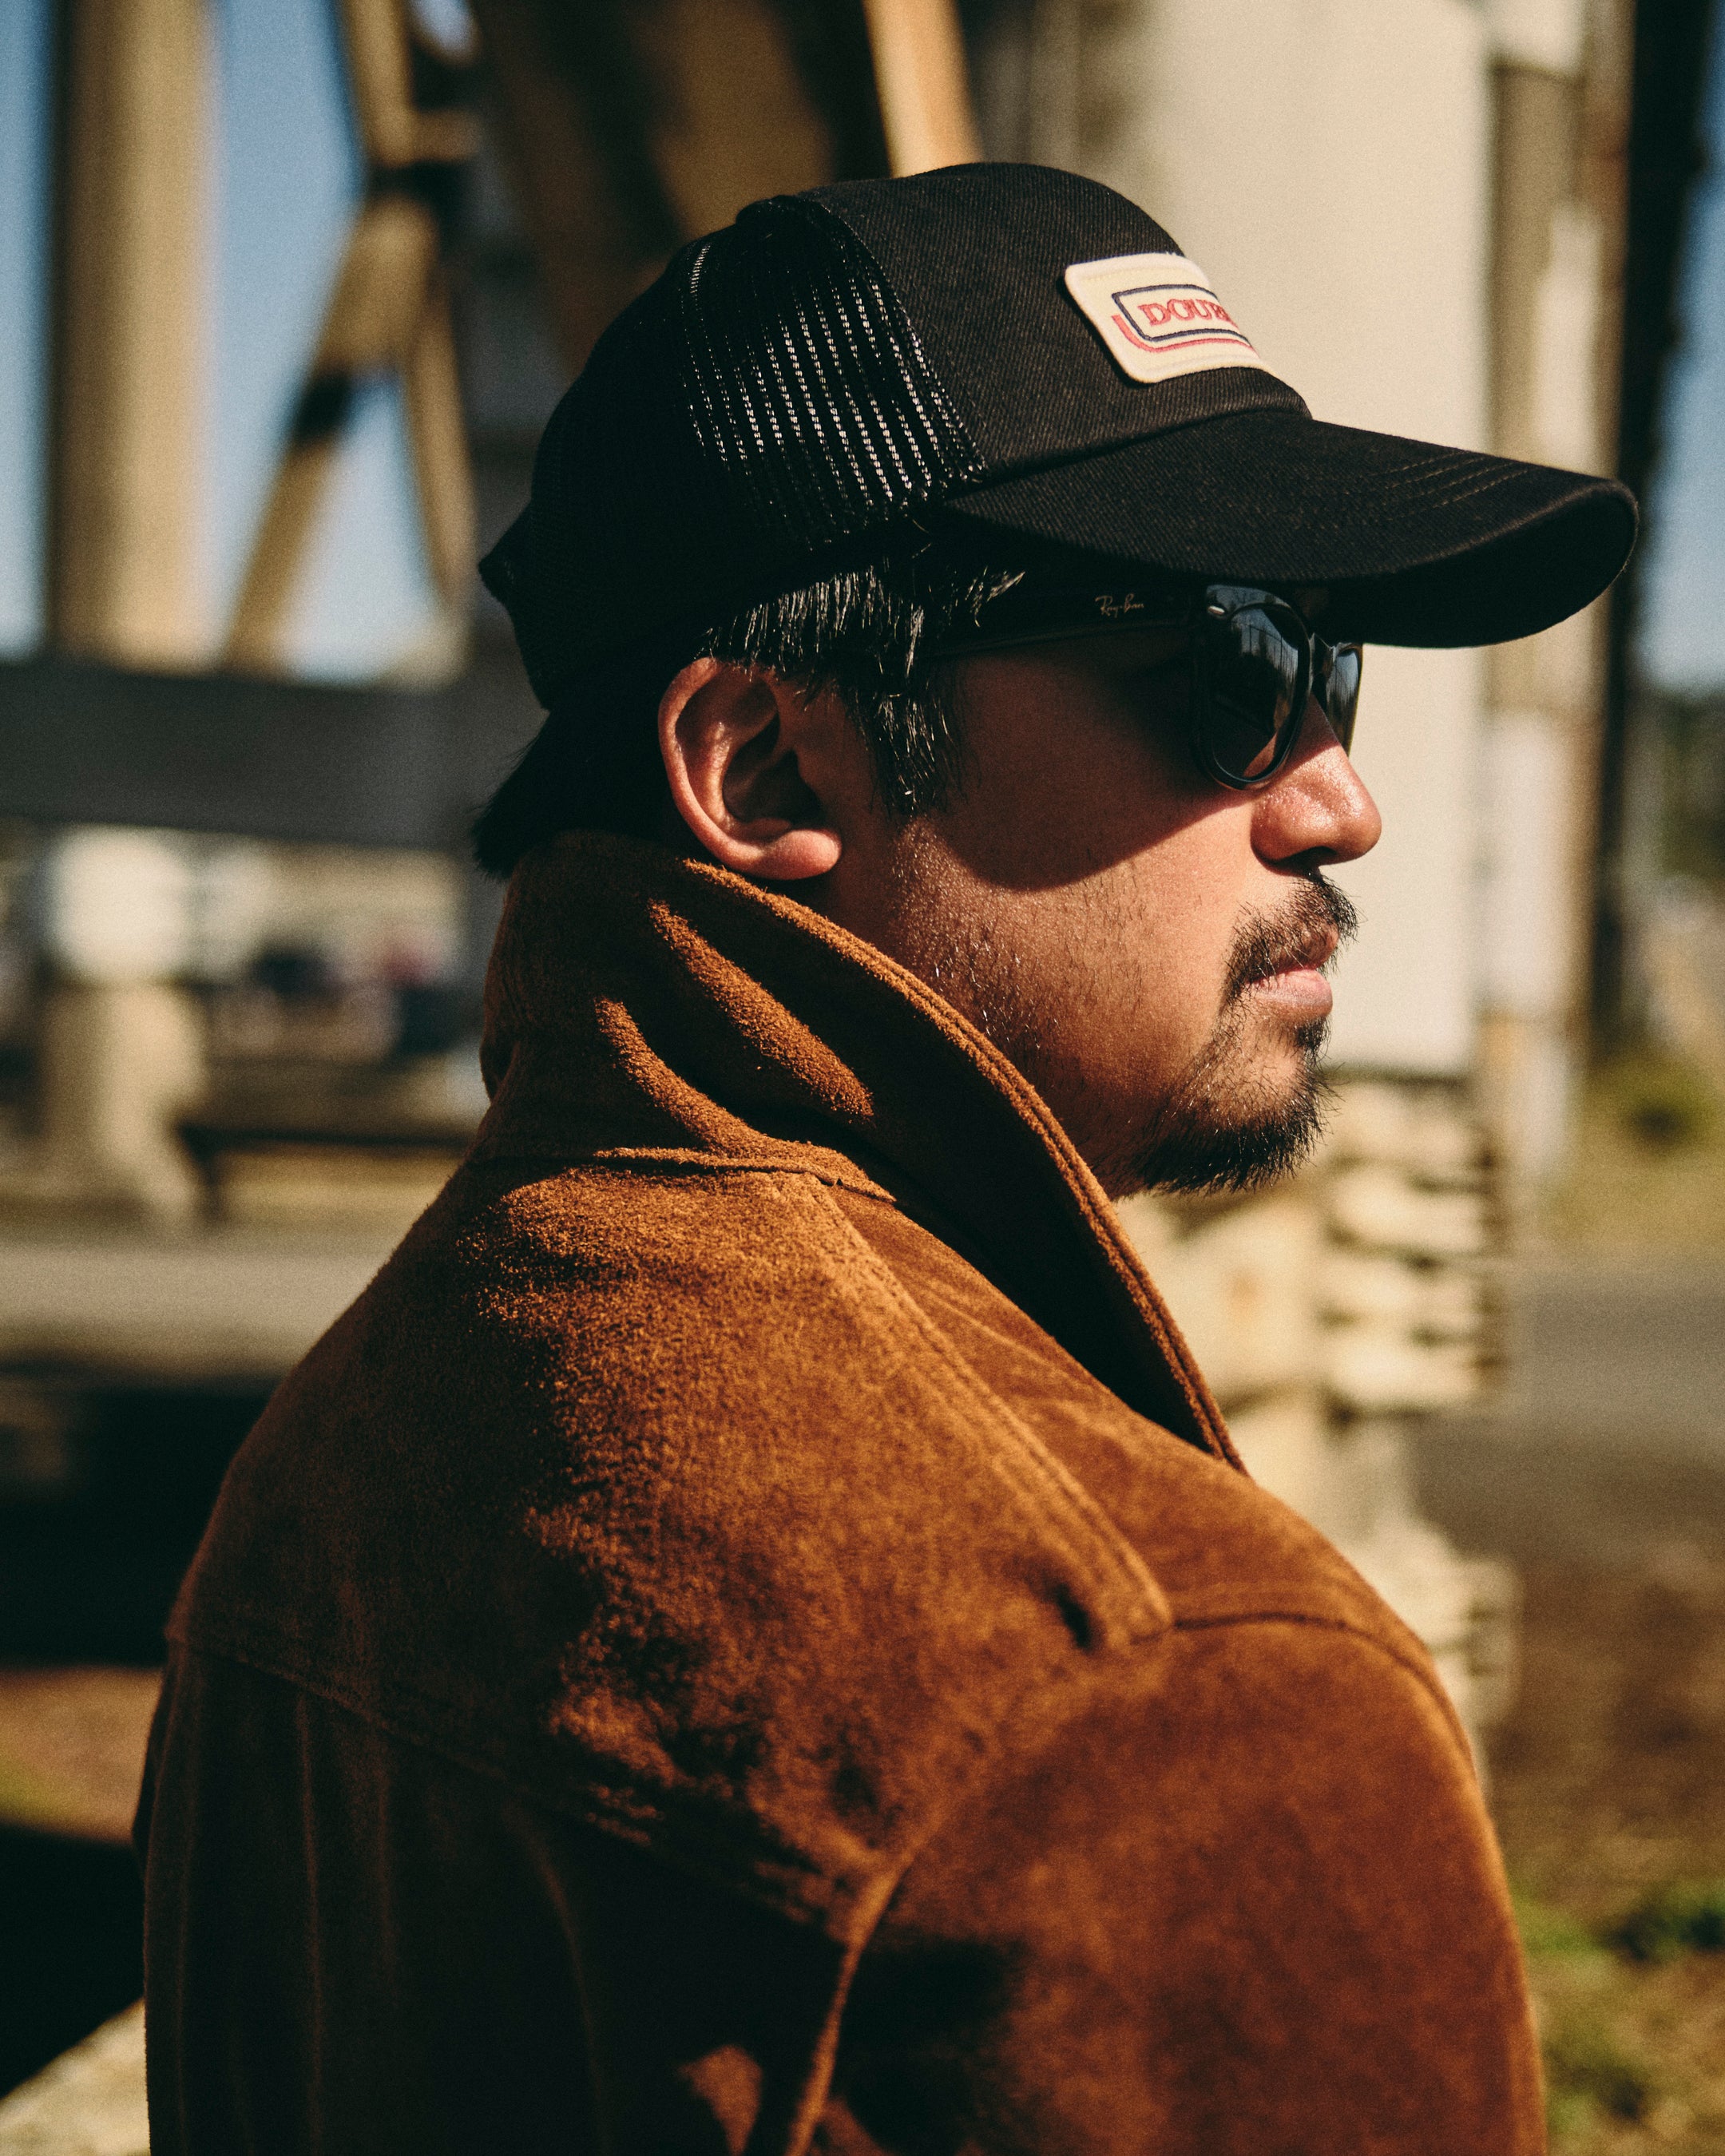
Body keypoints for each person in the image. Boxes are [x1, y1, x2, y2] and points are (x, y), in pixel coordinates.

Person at [137, 164, 1634, 2154]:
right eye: (1229, 669)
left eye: (1329, 665)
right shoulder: (1168, 1705)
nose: (1340, 801)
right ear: (765, 762)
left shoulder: (344, 1445)